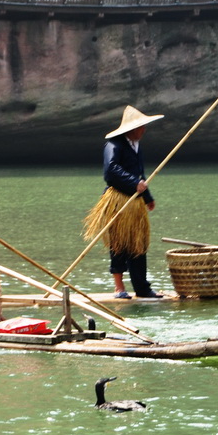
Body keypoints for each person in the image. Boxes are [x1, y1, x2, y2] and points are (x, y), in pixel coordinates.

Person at [83, 105, 166, 299]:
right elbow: (110, 171)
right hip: (118, 200)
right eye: (141, 127)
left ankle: (142, 288)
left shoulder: (136, 147)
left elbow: (141, 176)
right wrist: (133, 183)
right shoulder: (114, 145)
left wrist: (147, 197)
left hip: (135, 202)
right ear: (131, 129)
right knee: (119, 243)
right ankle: (119, 288)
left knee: (139, 244)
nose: (144, 130)